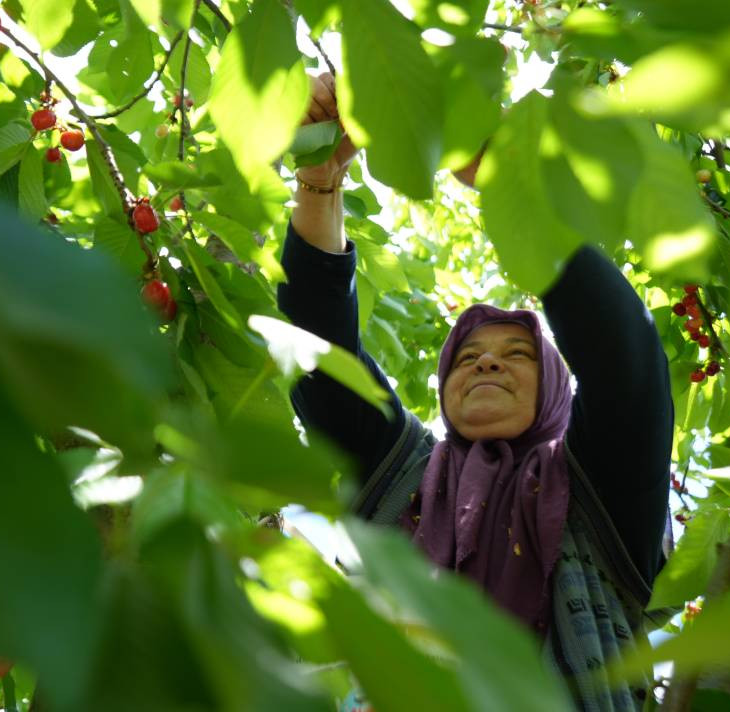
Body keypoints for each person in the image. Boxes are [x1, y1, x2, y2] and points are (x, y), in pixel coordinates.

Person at [278, 73, 674, 711]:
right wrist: (318, 177)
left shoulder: (600, 487)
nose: (487, 364)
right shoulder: (403, 473)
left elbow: (625, 355)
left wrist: (507, 180)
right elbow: (318, 354)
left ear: (556, 396)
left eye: (518, 355)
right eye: (467, 358)